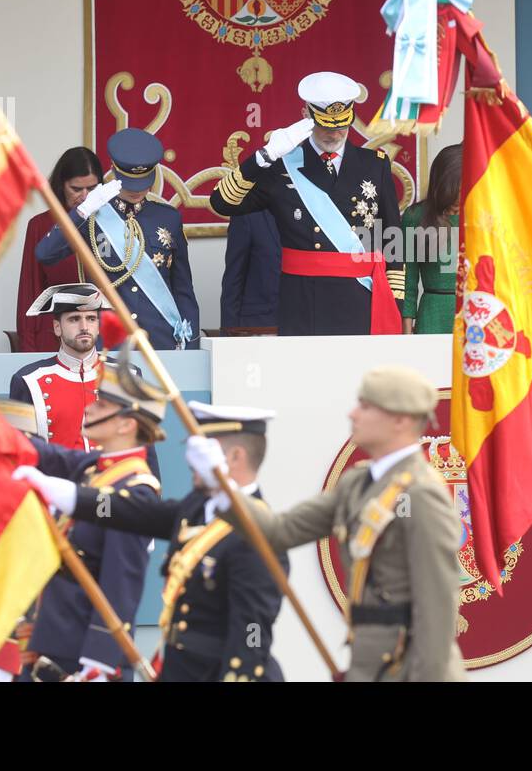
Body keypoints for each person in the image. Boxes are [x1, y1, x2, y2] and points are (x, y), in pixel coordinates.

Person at [187, 366, 465, 681]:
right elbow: (279, 532)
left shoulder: (421, 494)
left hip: (410, 670)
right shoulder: (358, 483)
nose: (353, 414)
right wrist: (220, 483)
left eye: (367, 406)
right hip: (370, 665)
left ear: (401, 420)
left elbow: (437, 607)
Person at [15, 402, 288, 683]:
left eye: (202, 452)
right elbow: (134, 513)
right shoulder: (198, 507)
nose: (190, 460)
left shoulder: (258, 536)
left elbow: (253, 633)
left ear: (235, 457)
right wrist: (66, 494)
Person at [209, 72, 404, 335]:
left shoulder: (374, 164)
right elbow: (222, 203)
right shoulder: (282, 166)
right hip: (303, 302)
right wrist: (263, 156)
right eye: (325, 125)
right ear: (306, 115)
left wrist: (395, 303)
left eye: (342, 125)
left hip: (361, 299)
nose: (334, 133)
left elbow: (392, 241)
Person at [11, 353, 167, 681]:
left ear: (127, 424)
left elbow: (120, 585)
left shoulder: (135, 492)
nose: (89, 408)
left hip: (81, 657)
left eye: (102, 406)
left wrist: (100, 664)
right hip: (53, 641)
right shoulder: (96, 469)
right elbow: (49, 454)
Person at [37, 127, 200, 349]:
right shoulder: (94, 216)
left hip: (160, 339)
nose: (137, 190)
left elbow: (183, 288)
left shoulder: (168, 217)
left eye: (143, 182)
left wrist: (190, 344)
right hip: (109, 340)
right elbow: (45, 253)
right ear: (114, 172)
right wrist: (81, 212)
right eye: (130, 182)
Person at [15, 147, 103, 351]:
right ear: (61, 186)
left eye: (92, 188)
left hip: (106, 335)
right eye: (76, 189)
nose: (84, 196)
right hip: (56, 337)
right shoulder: (41, 225)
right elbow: (30, 294)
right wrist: (28, 351)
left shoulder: (113, 223)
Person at [10, 283, 107, 450]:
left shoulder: (125, 374)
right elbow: (21, 452)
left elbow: (143, 449)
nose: (84, 327)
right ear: (57, 327)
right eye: (74, 319)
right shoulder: (28, 380)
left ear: (98, 326)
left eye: (91, 319)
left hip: (116, 475)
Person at [401, 144, 461, 334]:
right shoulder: (415, 216)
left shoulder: (482, 216)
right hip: (432, 316)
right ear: (445, 182)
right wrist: (406, 330)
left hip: (474, 313)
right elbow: (408, 281)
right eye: (459, 183)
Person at [220, 209, 281, 331]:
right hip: (259, 326)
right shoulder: (247, 213)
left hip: (304, 327)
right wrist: (229, 335)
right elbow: (233, 280)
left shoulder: (310, 208)